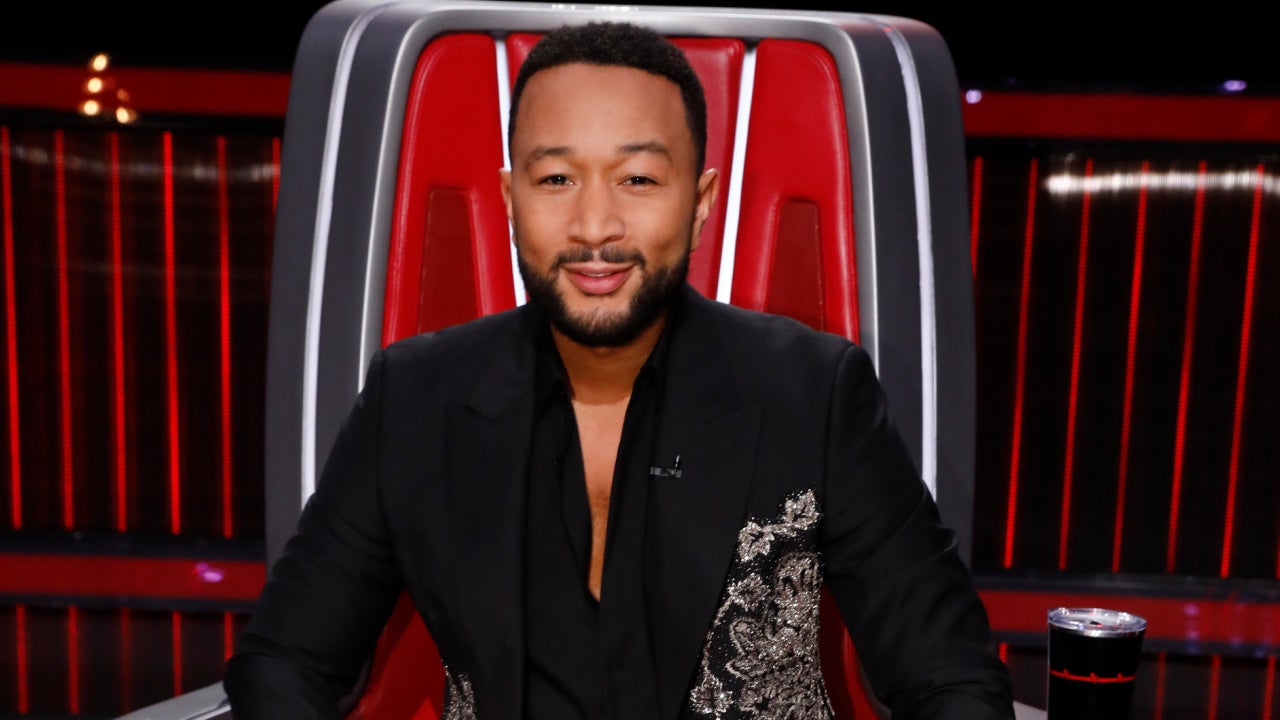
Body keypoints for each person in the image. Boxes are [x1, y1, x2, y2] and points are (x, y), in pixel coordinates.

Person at [224, 20, 1015, 719]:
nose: (595, 227)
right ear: (510, 198)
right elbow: (284, 661)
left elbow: (951, 680)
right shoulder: (415, 399)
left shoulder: (816, 394)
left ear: (700, 202)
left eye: (637, 179)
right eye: (556, 179)